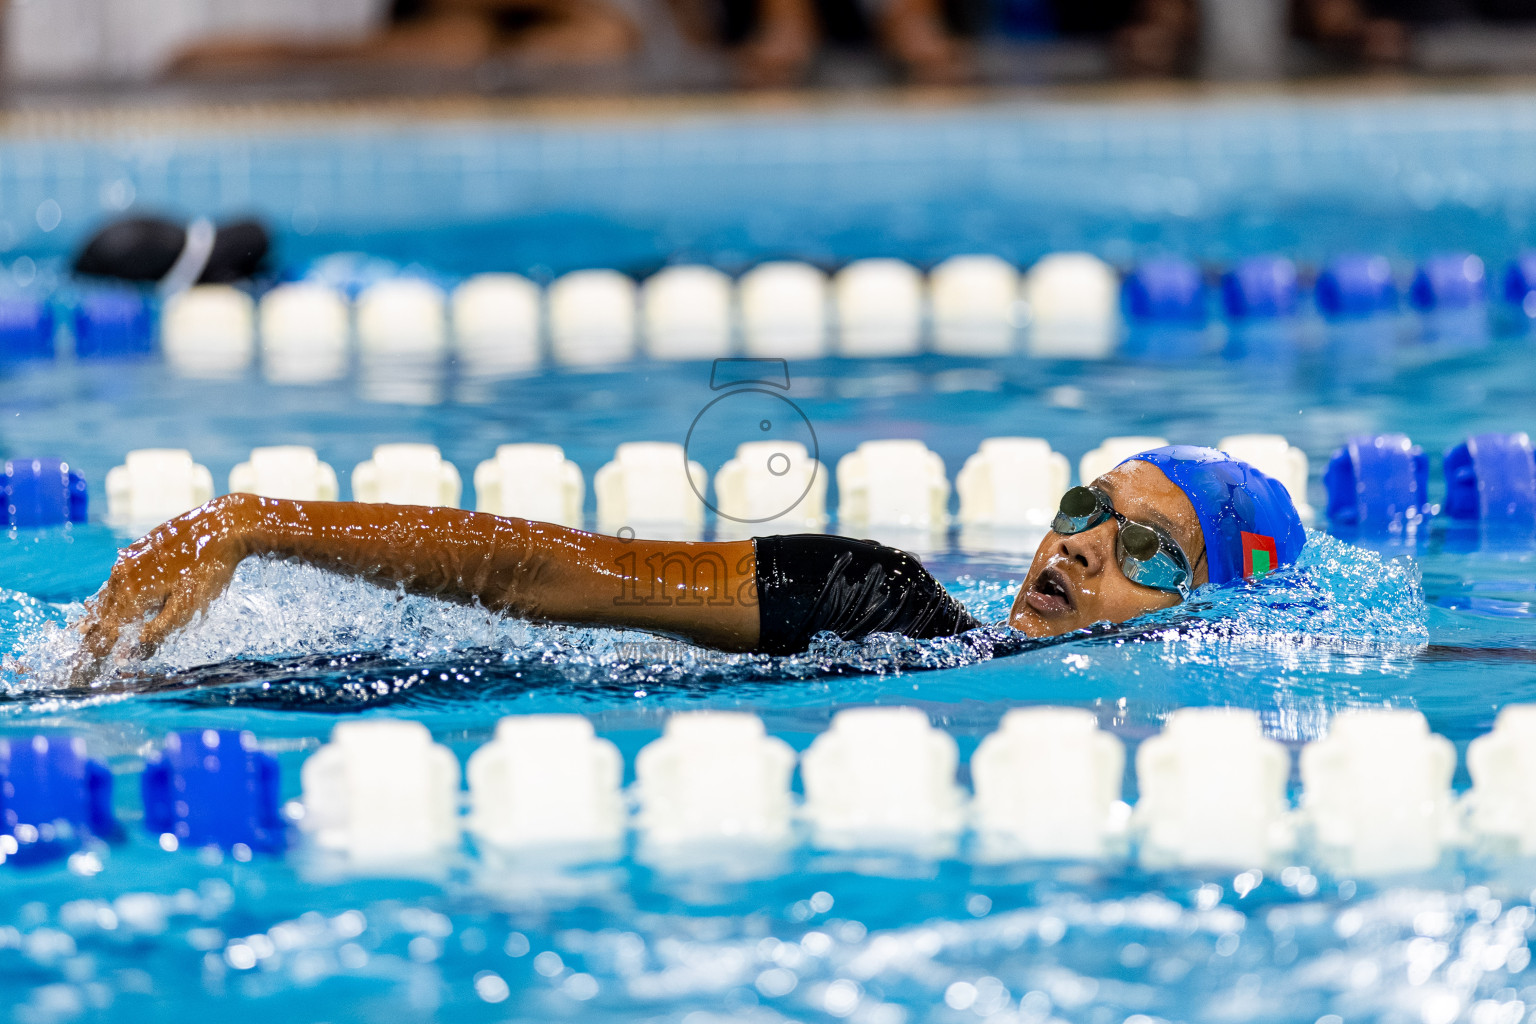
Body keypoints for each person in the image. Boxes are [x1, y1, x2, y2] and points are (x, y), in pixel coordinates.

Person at [70, 445, 1306, 680]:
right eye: (1088, 503)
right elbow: (572, 575)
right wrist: (252, 520)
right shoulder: (877, 600)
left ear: (1202, 616)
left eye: (1146, 547)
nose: (1082, 542)